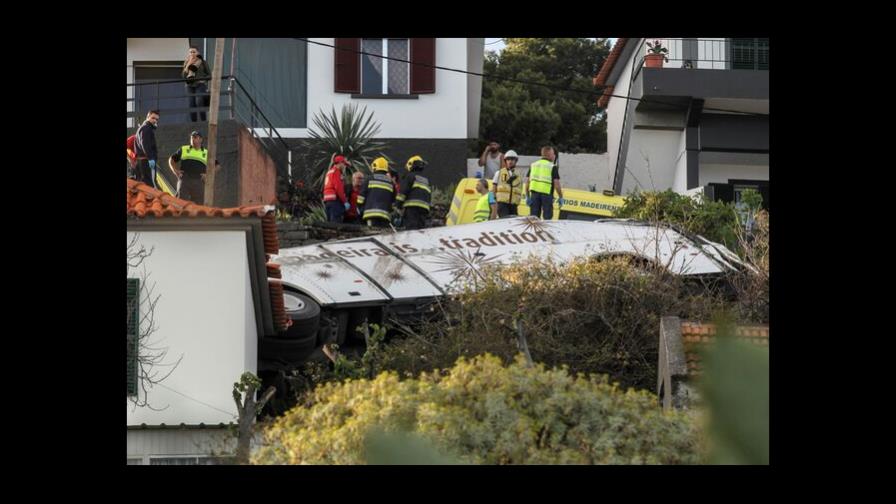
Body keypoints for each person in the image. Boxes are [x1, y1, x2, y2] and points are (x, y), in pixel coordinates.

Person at [524, 146, 564, 220]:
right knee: (547, 219)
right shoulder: (552, 167)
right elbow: (557, 185)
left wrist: (527, 196)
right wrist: (561, 196)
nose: (554, 156)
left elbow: (527, 183)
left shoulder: (533, 165)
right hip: (547, 195)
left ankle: (534, 231)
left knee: (534, 219)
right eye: (553, 154)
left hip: (534, 195)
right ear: (549, 155)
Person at [168, 131, 208, 203]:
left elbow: (216, 165)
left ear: (201, 139)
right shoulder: (184, 149)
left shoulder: (206, 152)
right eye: (191, 137)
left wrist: (208, 174)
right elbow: (171, 159)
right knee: (180, 203)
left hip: (199, 182)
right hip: (184, 180)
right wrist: (175, 171)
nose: (192, 139)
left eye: (195, 137)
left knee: (199, 206)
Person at [357, 157, 396, 228]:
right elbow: (393, 201)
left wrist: (361, 209)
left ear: (375, 166)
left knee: (373, 233)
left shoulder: (369, 179)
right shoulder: (391, 183)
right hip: (385, 216)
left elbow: (360, 198)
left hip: (371, 214)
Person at [396, 155, 432, 230]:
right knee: (420, 230)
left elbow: (403, 192)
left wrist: (398, 205)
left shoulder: (409, 176)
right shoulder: (426, 180)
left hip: (412, 208)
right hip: (424, 209)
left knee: (411, 230)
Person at [183, 46, 211, 122]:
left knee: (199, 101)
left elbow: (209, 75)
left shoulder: (202, 62)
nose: (192, 53)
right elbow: (184, 77)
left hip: (200, 84)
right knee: (191, 104)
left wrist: (203, 79)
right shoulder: (186, 62)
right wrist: (187, 66)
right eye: (190, 52)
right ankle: (194, 123)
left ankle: (203, 121)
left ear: (197, 53)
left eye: (194, 52)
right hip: (190, 86)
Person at [492, 149, 522, 218]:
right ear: (505, 161)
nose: (510, 161)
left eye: (512, 159)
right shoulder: (499, 173)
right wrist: (495, 201)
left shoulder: (519, 174)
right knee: (504, 221)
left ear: (515, 161)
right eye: (508, 160)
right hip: (502, 204)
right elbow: (494, 187)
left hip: (514, 204)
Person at [135, 110, 160, 188]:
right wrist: (150, 158)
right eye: (153, 118)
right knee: (151, 186)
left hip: (143, 161)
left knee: (145, 185)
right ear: (147, 117)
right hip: (146, 161)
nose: (155, 121)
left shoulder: (143, 128)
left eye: (157, 119)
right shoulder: (146, 128)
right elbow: (145, 145)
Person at [322, 155, 350, 223]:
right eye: (344, 164)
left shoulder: (329, 172)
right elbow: (338, 188)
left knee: (330, 225)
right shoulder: (336, 172)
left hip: (327, 201)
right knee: (336, 224)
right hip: (335, 201)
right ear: (340, 163)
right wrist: (345, 201)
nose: (344, 167)